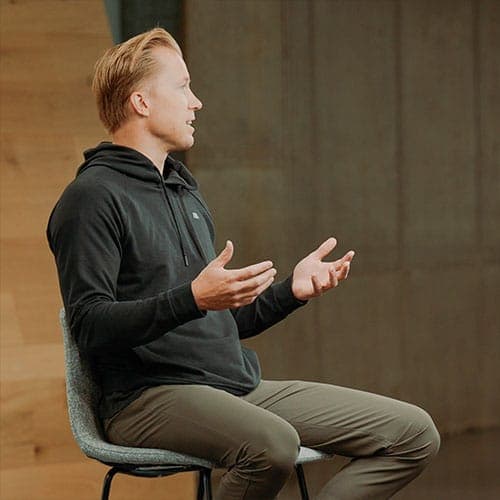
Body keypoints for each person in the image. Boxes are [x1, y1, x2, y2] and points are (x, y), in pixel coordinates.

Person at [47, 28, 440, 499]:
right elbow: (90, 325)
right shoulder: (91, 198)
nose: (196, 102)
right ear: (141, 102)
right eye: (183, 86)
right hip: (146, 398)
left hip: (235, 388)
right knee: (271, 445)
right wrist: (193, 298)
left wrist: (290, 291)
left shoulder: (183, 192)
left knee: (412, 433)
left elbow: (220, 323)